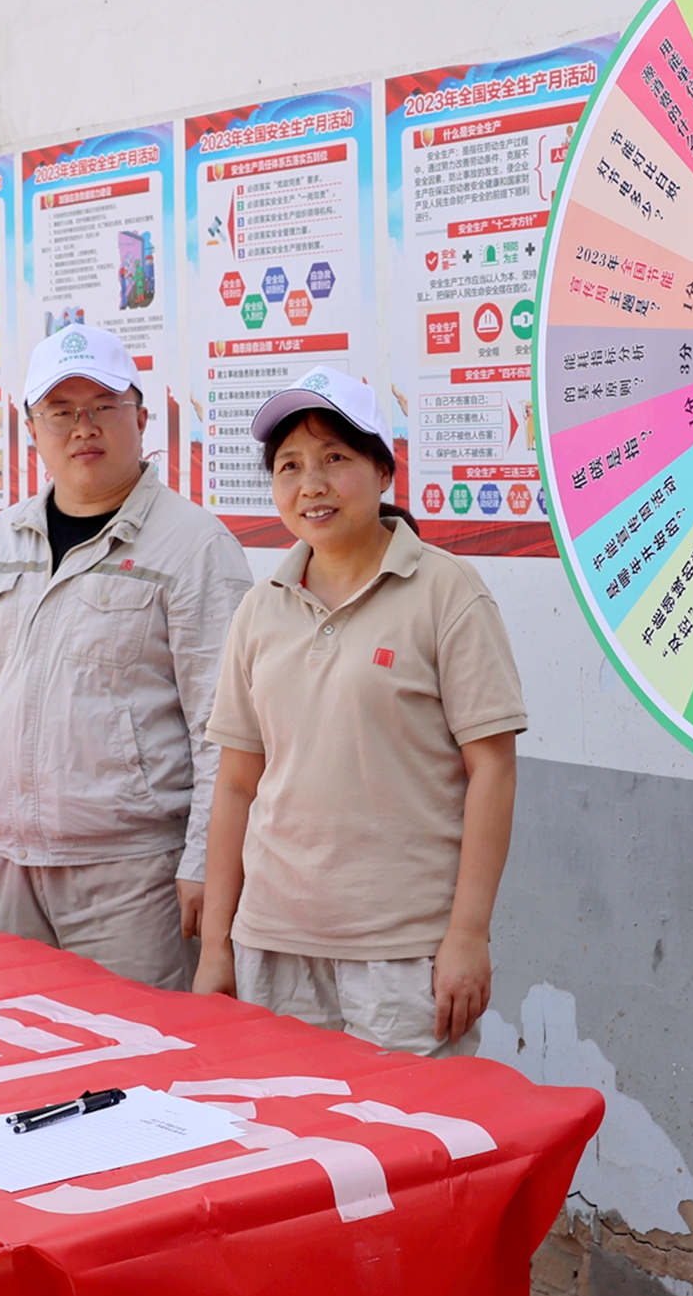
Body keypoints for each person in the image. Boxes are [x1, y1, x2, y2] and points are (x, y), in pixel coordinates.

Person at [195, 368, 524, 1056]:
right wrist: (218, 946)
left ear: (382, 469)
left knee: (416, 1152)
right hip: (273, 948)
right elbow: (235, 784)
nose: (311, 484)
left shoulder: (446, 591)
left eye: (335, 459)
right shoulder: (261, 608)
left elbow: (491, 770)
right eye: (290, 466)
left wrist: (468, 933)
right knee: (286, 1146)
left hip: (403, 957)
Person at [0, 324, 249, 989]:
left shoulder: (193, 547)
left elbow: (226, 728)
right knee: (27, 1062)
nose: (84, 428)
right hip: (12, 871)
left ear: (141, 417)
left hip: (136, 880)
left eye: (104, 407)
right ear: (32, 428)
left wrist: (204, 867)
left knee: (140, 1076)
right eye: (62, 412)